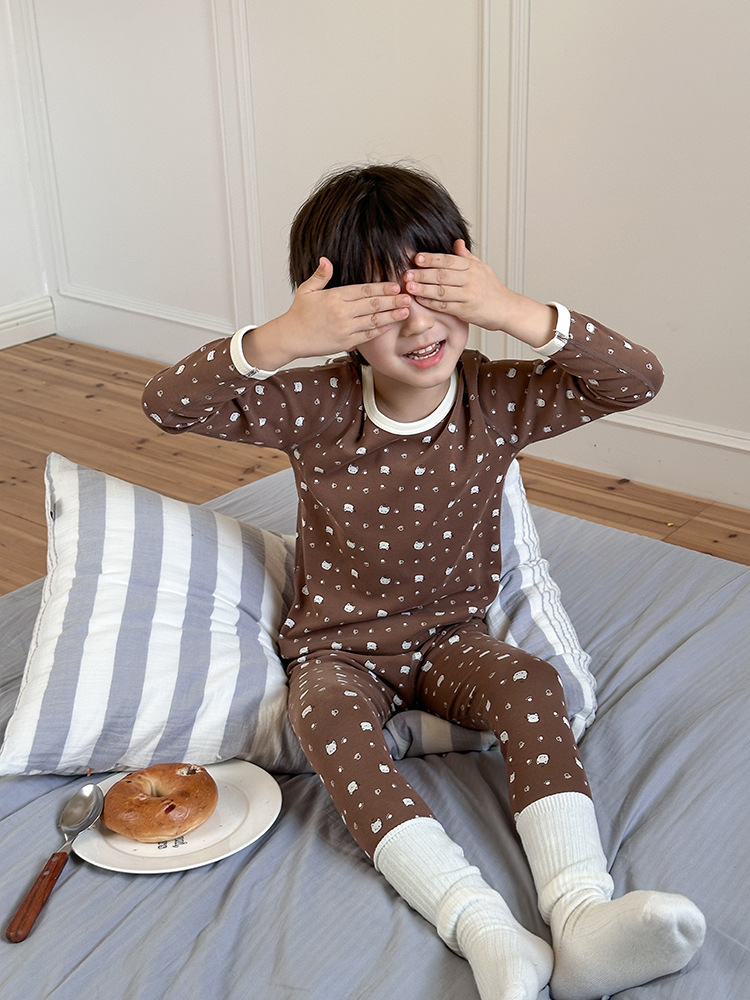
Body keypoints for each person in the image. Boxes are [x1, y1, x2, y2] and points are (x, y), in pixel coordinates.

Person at [142, 164, 705, 1000]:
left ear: (467, 278)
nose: (417, 325)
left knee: (533, 684)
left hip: (451, 639)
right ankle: (483, 928)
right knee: (324, 717)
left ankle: (583, 913)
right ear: (338, 322)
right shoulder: (318, 404)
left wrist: (515, 310)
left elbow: (637, 378)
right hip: (339, 651)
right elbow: (168, 406)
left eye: (436, 291)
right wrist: (280, 338)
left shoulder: (497, 398)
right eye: (380, 309)